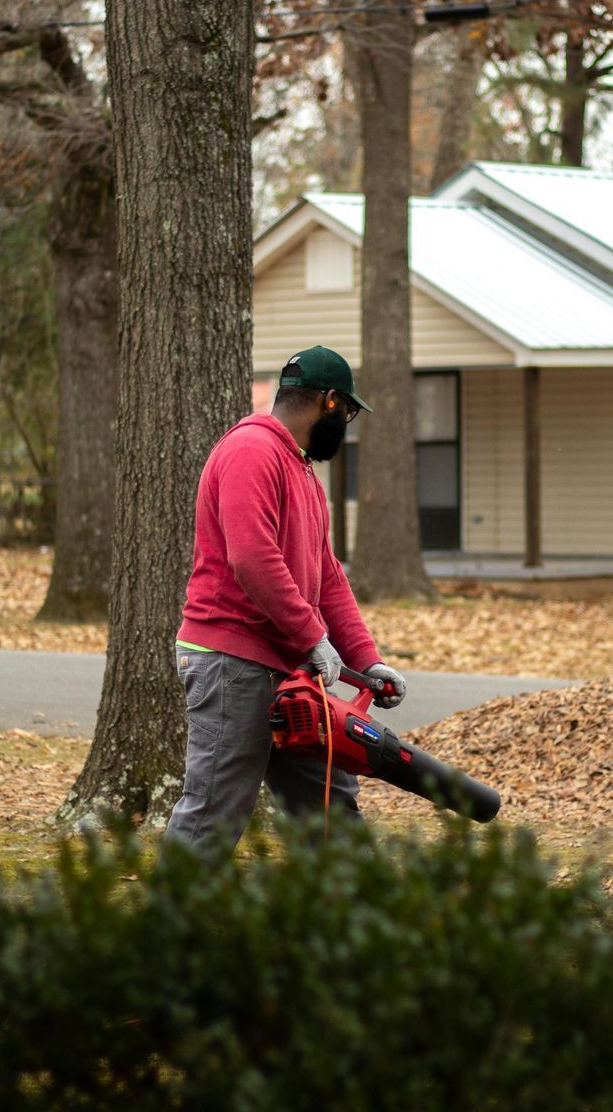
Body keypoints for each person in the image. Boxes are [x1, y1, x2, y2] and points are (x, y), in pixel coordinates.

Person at [166, 345, 409, 850]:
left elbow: (329, 578)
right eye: (347, 411)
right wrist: (313, 637)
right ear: (328, 402)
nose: (346, 425)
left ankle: (355, 925)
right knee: (213, 809)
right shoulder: (252, 451)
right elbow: (252, 558)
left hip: (291, 669)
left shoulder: (301, 471)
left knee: (328, 806)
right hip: (232, 663)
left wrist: (368, 660)